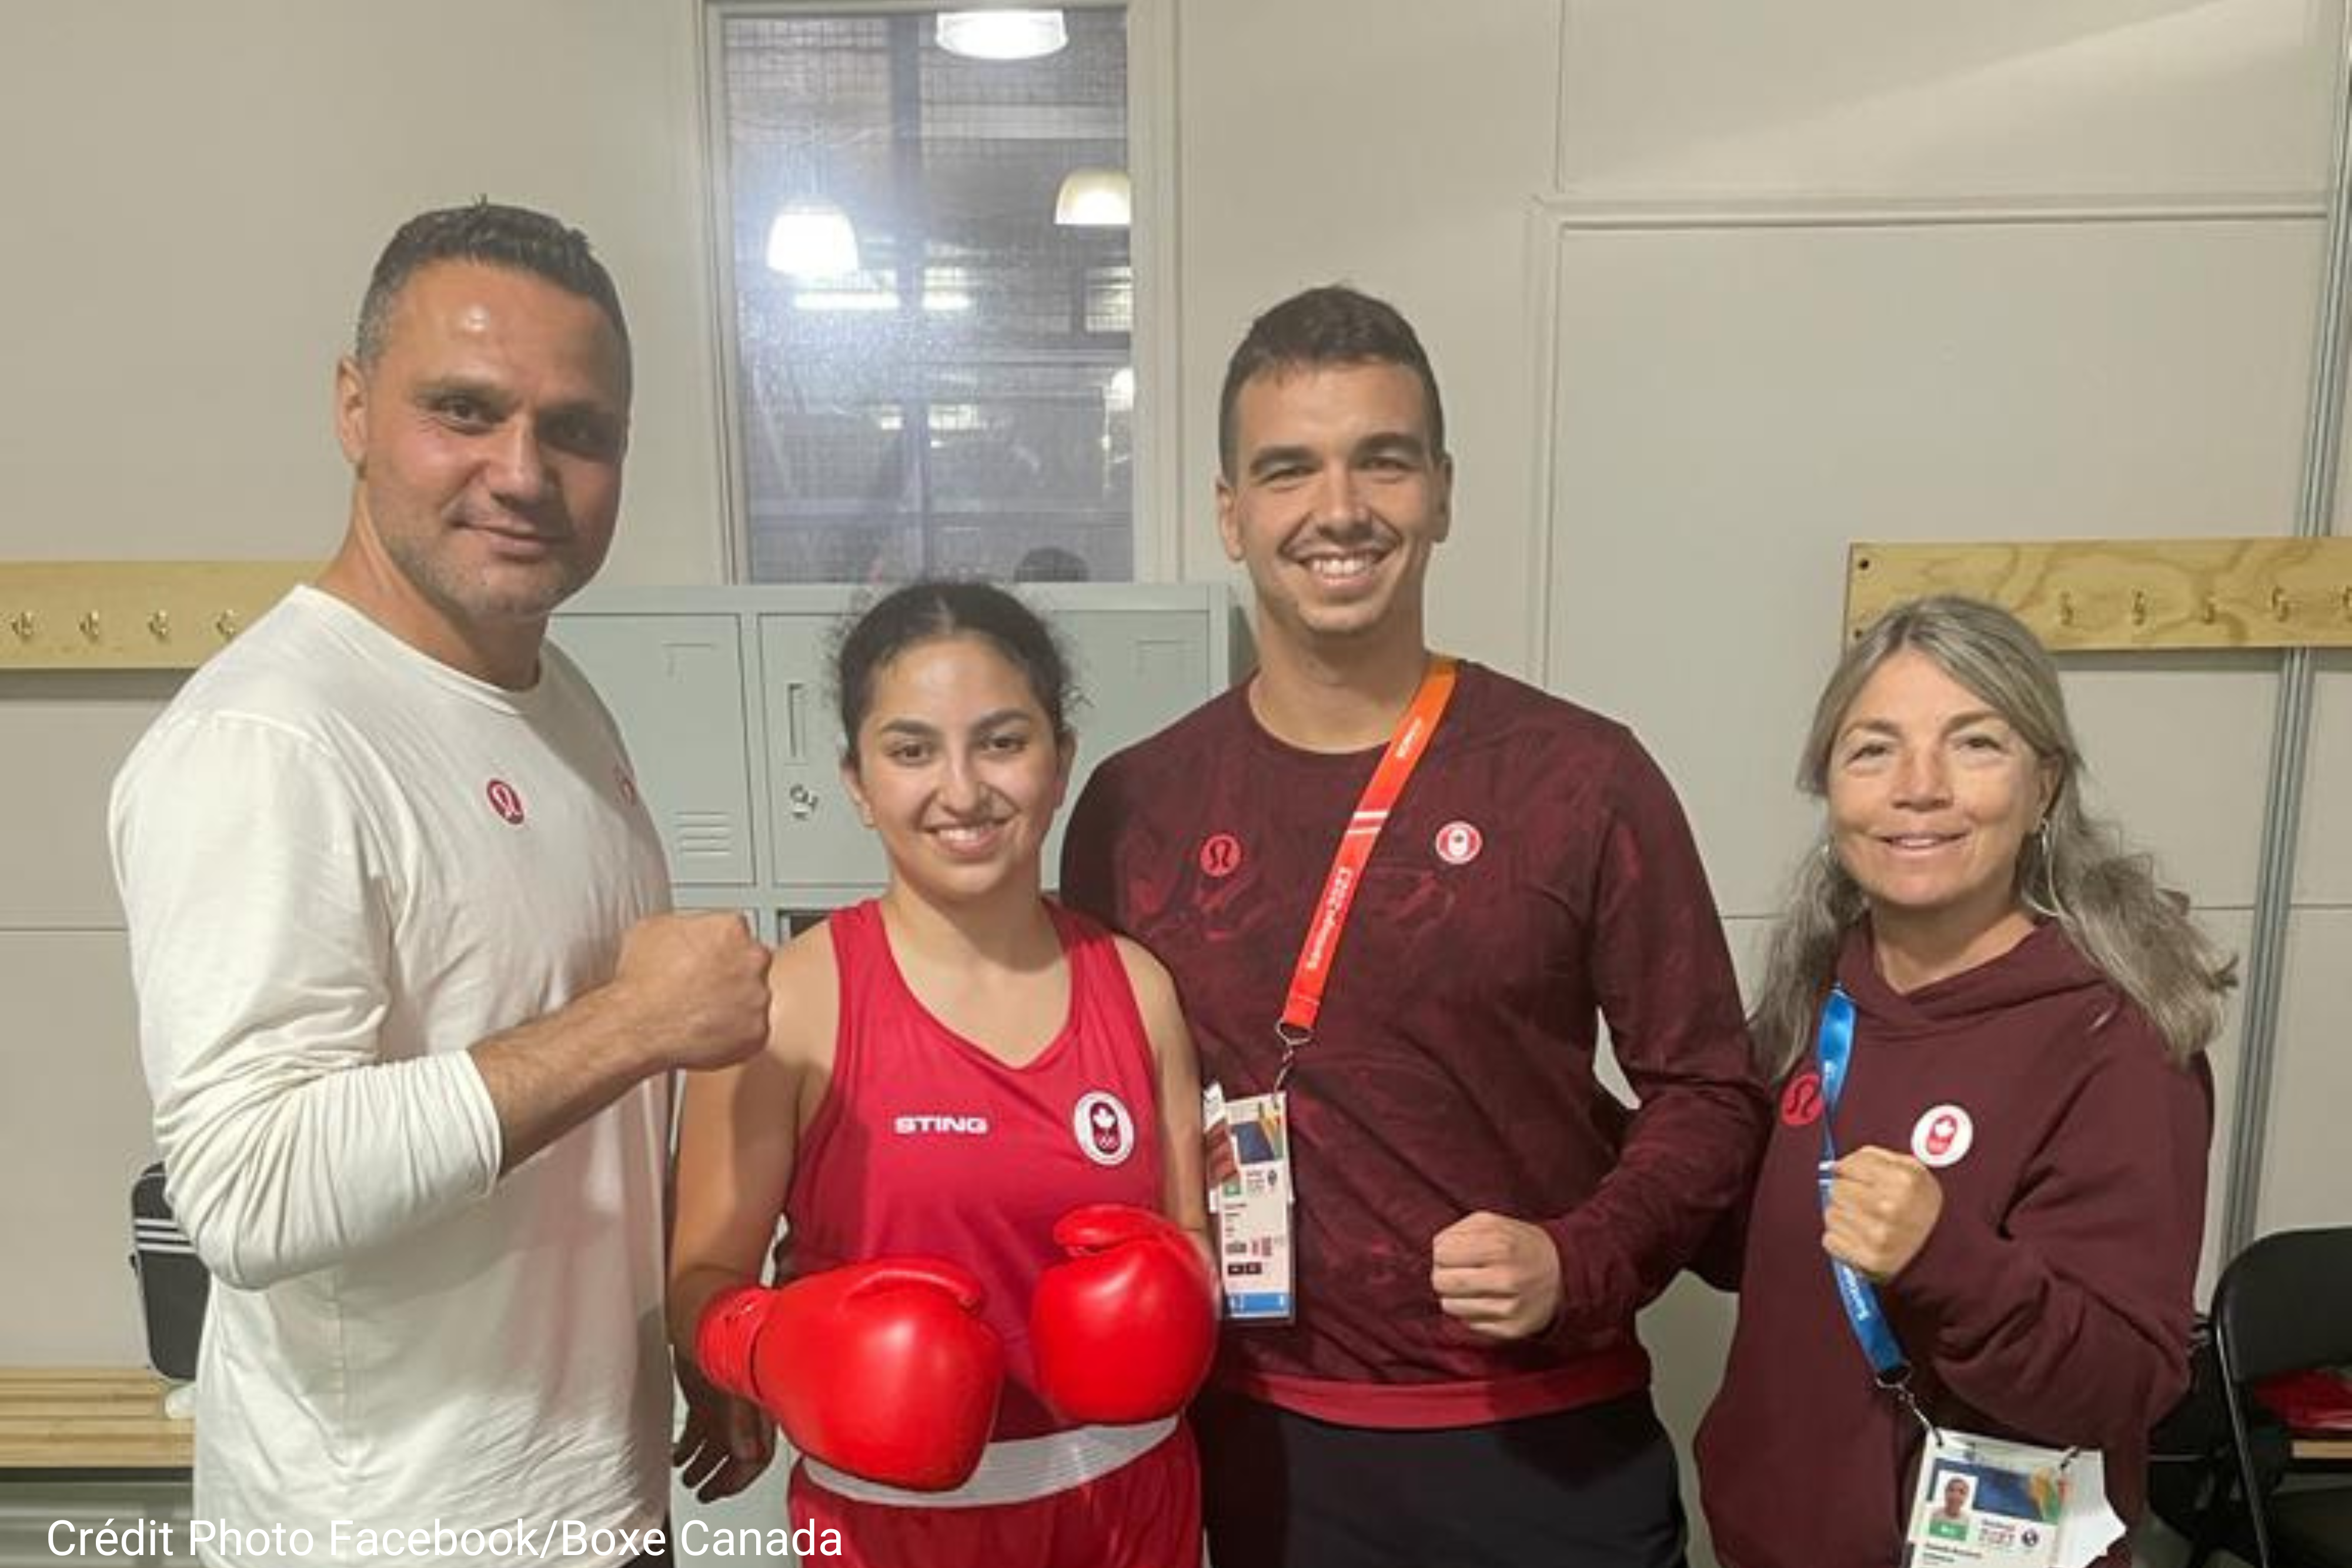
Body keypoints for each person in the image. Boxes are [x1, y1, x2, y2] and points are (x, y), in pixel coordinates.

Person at [1058, 285, 1769, 1568]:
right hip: (1258, 1448)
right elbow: (1081, 1110)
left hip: (1545, 1446)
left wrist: (1581, 1254)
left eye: (1380, 461)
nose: (1337, 509)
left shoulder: (1579, 778)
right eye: (1287, 469)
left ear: (1440, 490)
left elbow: (1710, 1090)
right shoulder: (1133, 808)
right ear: (1228, 511)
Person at [108, 202, 774, 1567]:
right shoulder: (271, 738)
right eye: (463, 410)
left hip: (591, 1497)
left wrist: (677, 1325)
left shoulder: (553, 696)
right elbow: (245, 1189)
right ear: (353, 406)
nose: (521, 471)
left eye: (575, 430)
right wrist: (636, 1024)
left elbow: (578, 1134)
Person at [668, 580, 1214, 1568]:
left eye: (1002, 741)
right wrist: (777, 1348)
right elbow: (699, 1285)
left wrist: (1181, 1294)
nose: (962, 790)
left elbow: (1196, 1247)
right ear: (857, 780)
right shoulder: (791, 1003)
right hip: (890, 1530)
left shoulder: (1137, 990)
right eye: (912, 750)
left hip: (1131, 1508)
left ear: (1061, 765)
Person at [1694, 594, 2230, 1568]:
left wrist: (1944, 1256)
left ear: (2045, 788)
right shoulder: (1813, 995)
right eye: (1873, 750)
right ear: (1830, 788)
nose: (1920, 787)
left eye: (1975, 743)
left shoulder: (2116, 1037)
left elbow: (2127, 1382)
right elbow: (1732, 1235)